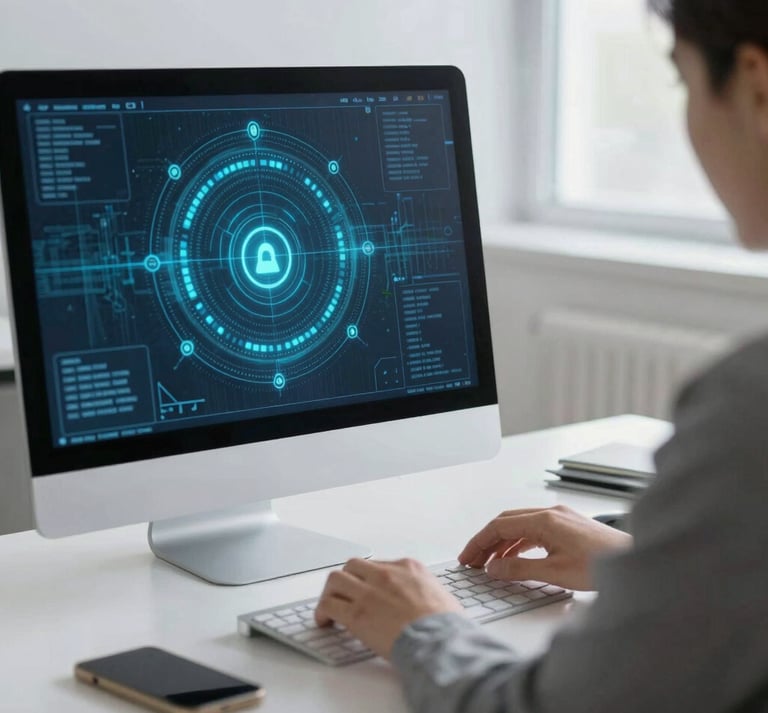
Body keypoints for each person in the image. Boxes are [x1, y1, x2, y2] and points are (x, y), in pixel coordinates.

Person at [314, 1, 768, 711]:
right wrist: (650, 572)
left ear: (755, 85)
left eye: (680, 83)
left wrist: (424, 627)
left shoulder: (751, 404)